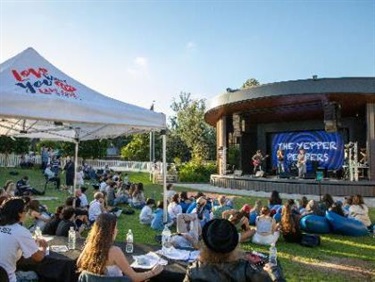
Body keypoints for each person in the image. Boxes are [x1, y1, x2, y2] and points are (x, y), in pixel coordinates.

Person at [183, 218, 284, 282]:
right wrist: (275, 274)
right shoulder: (249, 268)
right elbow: (269, 268)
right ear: (234, 243)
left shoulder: (194, 269)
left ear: (206, 244)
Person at [77, 213, 163, 280]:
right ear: (111, 231)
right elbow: (134, 278)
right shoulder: (114, 251)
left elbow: (79, 263)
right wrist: (153, 272)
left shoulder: (89, 246)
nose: (117, 230)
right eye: (116, 228)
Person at [0, 198, 48, 282]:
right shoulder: (20, 231)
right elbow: (38, 257)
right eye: (25, 210)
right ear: (19, 213)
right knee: (35, 275)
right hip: (7, 278)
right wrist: (43, 247)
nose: (27, 213)